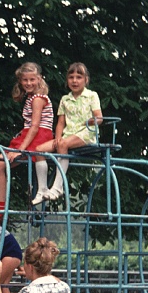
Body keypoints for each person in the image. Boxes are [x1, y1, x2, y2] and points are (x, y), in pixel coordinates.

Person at [0, 62, 54, 223]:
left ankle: (0, 208)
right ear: (20, 81)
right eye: (25, 80)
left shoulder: (38, 99)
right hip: (28, 135)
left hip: (37, 137)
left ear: (39, 79)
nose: (28, 83)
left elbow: (35, 127)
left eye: (32, 79)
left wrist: (19, 150)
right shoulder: (30, 97)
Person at [33, 62, 103, 203]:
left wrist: (89, 121)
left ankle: (58, 187)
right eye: (71, 77)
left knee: (63, 144)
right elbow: (60, 122)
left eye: (79, 77)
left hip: (86, 133)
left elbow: (99, 118)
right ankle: (42, 190)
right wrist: (58, 137)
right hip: (68, 134)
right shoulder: (65, 99)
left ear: (86, 80)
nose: (74, 81)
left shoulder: (91, 95)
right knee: (39, 150)